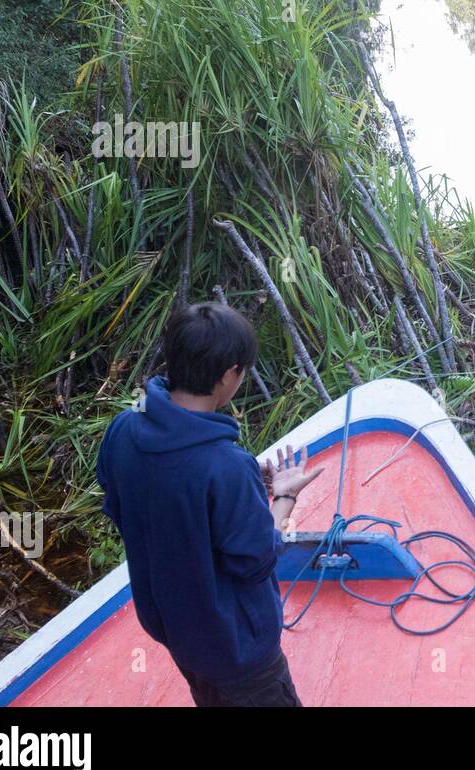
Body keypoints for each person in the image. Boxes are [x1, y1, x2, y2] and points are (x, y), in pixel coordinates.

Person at [95, 302, 324, 706]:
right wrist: (283, 497)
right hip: (238, 653)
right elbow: (256, 560)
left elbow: (129, 503)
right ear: (228, 375)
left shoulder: (124, 428)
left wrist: (246, 480)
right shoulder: (225, 468)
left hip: (176, 630)